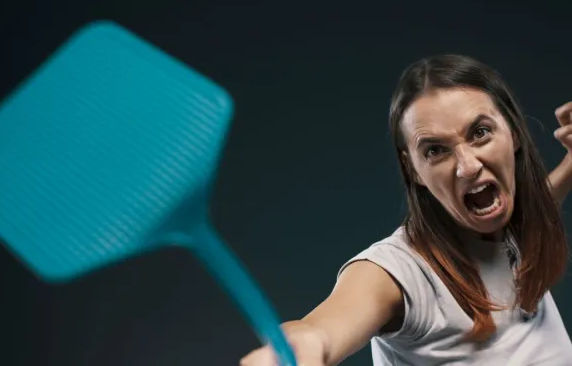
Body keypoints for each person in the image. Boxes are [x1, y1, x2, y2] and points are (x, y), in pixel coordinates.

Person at [239, 54, 572, 365]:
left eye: (480, 133)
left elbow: (538, 204)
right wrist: (301, 345)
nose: (467, 167)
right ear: (413, 169)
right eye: (435, 151)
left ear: (513, 133)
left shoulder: (511, 224)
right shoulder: (402, 272)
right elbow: (326, 326)